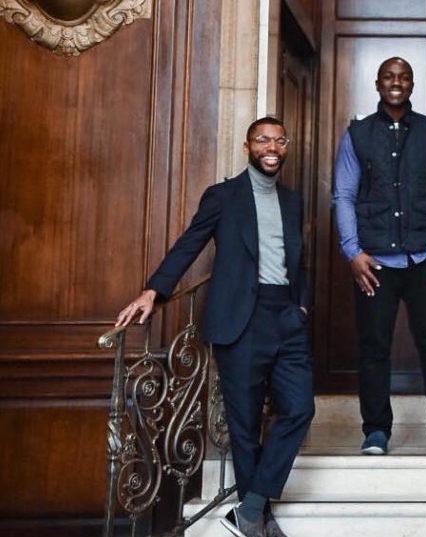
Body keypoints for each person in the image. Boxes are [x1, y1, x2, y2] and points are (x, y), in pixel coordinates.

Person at [116, 117, 314, 537]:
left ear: (286, 146)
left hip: (285, 318)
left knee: (300, 408)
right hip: (240, 319)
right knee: (244, 425)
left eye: (279, 140)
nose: (272, 148)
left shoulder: (293, 201)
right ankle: (257, 517)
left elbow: (297, 259)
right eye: (263, 140)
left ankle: (251, 507)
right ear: (247, 147)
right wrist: (153, 291)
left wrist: (300, 305)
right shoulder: (223, 197)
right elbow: (189, 243)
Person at [333, 56, 426, 456]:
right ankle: (376, 430)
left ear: (412, 84)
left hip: (425, 258)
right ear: (378, 84)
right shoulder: (357, 135)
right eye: (389, 77)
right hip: (373, 263)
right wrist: (353, 252)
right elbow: (344, 194)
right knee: (374, 348)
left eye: (404, 77)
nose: (396, 82)